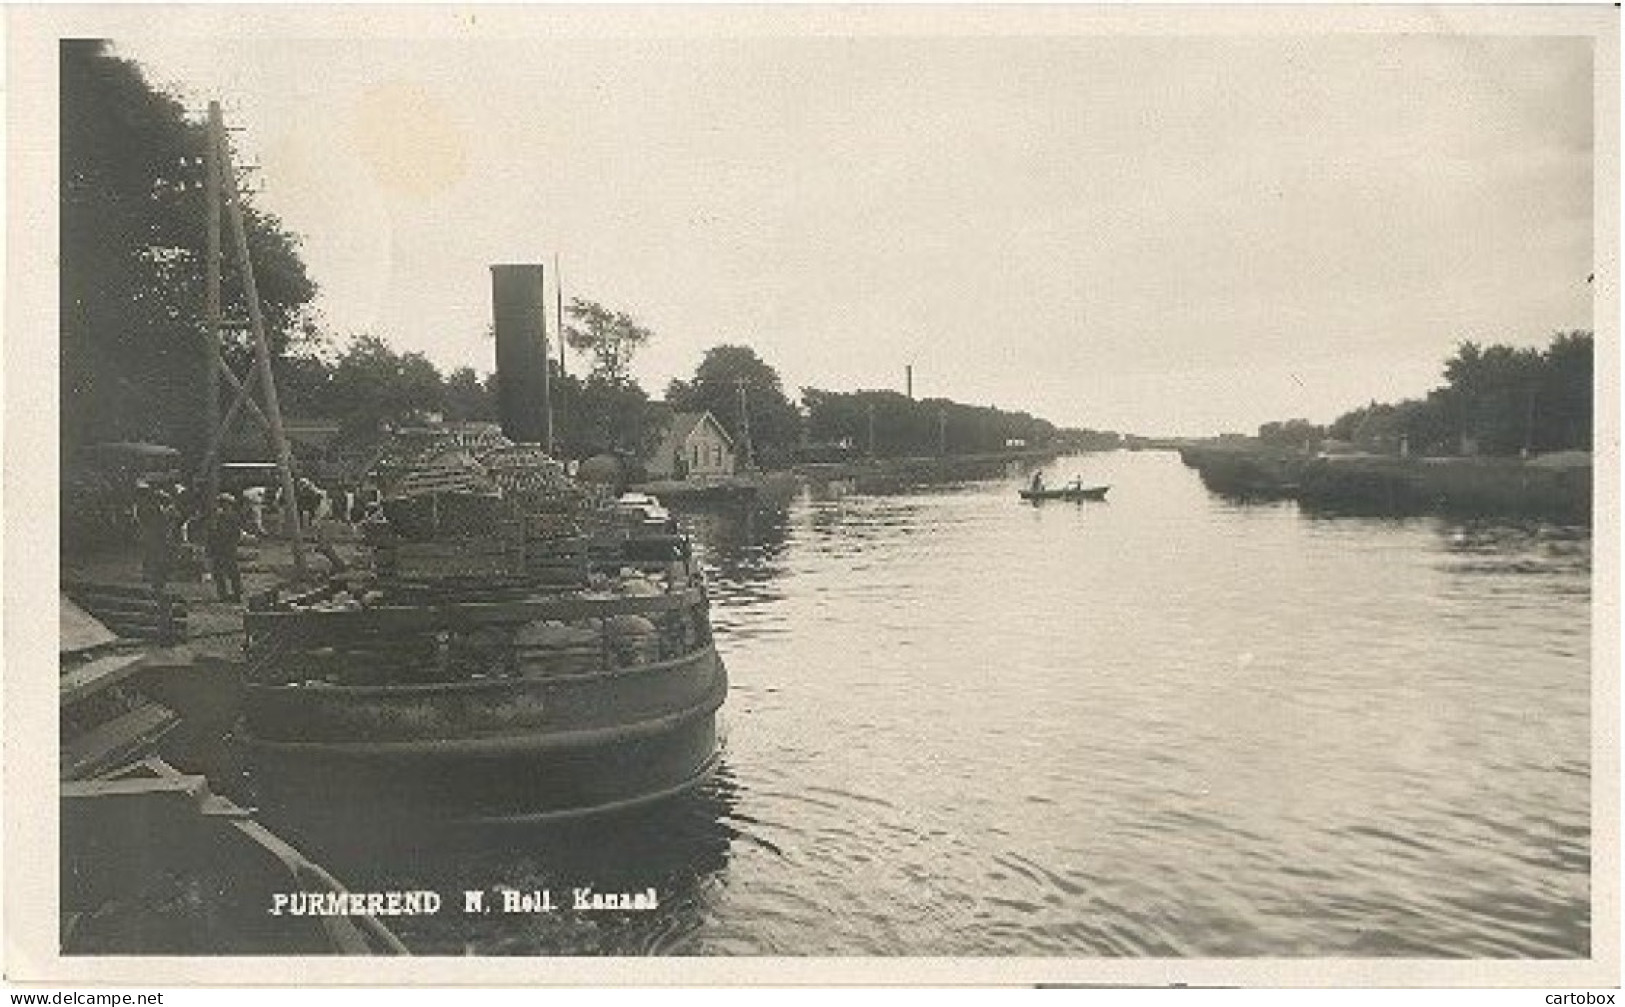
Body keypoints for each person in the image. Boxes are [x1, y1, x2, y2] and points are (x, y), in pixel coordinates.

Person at [134, 484, 177, 593]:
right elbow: (149, 520)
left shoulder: (154, 507)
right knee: (154, 556)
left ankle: (158, 578)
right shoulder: (146, 507)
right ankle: (156, 579)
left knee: (156, 556)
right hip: (154, 535)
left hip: (159, 535)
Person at [206, 493, 245, 602]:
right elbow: (212, 532)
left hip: (227, 547)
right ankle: (223, 595)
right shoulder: (218, 516)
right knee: (219, 572)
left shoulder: (232, 517)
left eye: (225, 503)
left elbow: (235, 533)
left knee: (232, 571)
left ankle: (236, 594)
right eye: (222, 503)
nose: (223, 505)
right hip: (219, 547)